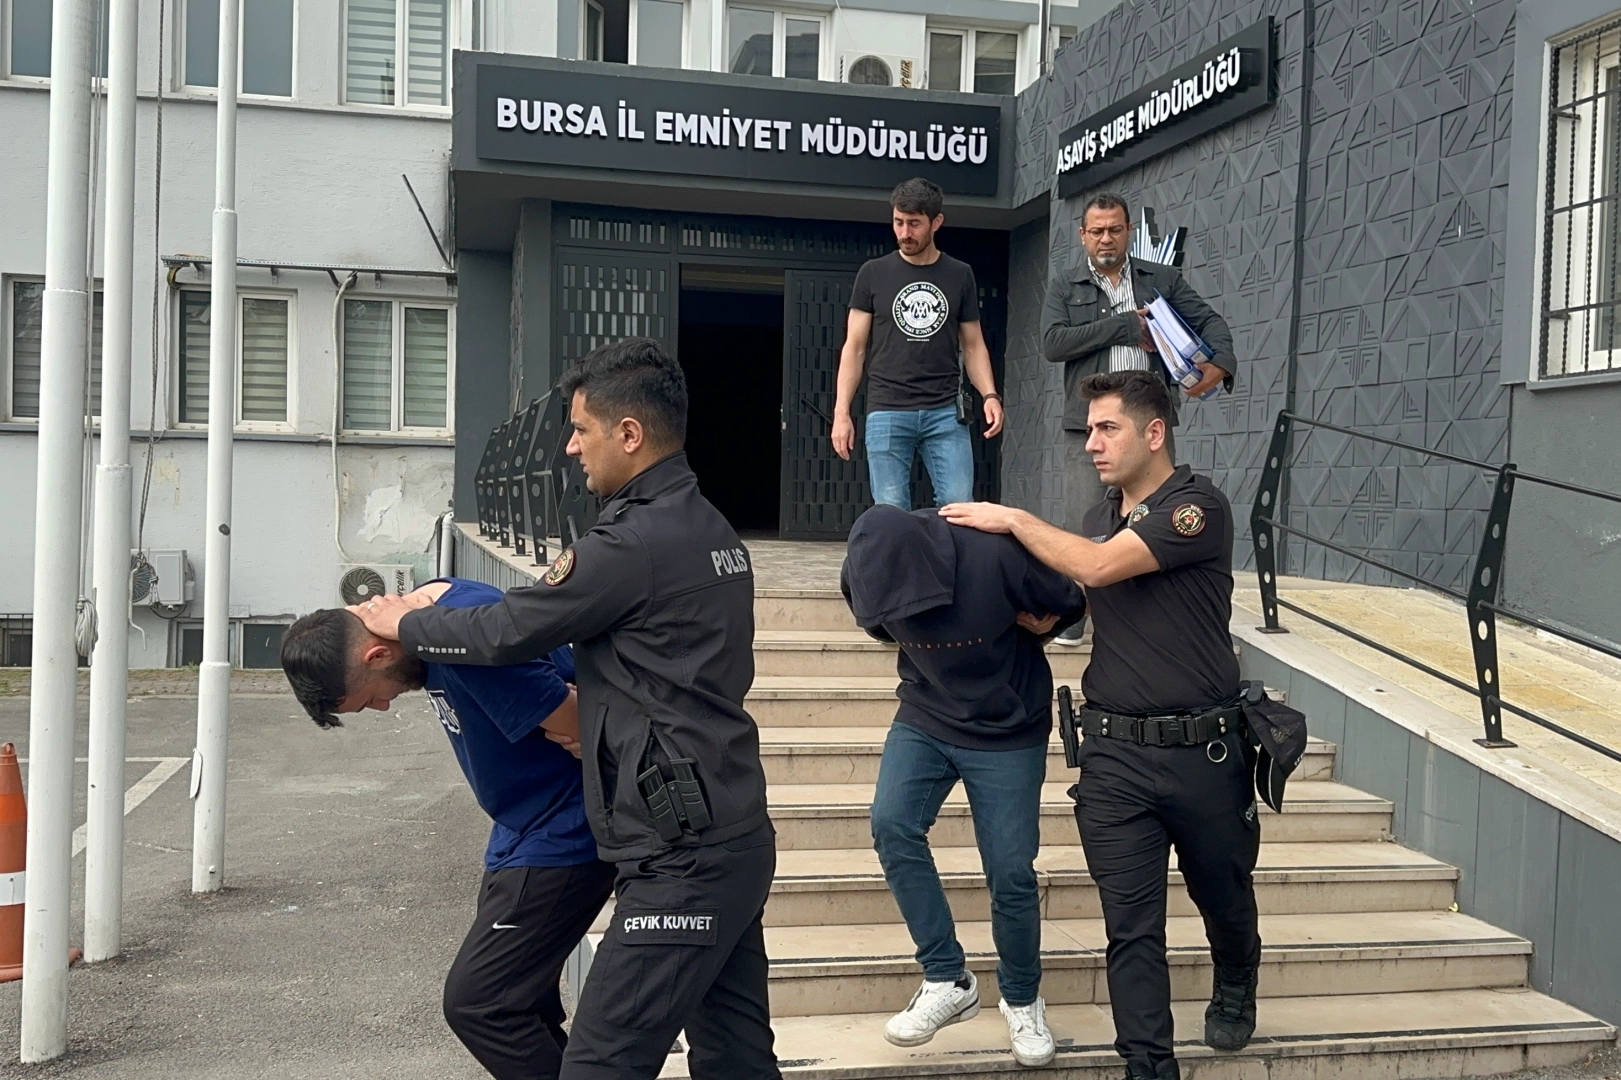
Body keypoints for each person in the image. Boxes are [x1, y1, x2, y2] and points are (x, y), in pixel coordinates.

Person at [354, 338, 781, 1080]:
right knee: (735, 1058)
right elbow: (666, 672)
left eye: (581, 429)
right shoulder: (712, 530)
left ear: (629, 433)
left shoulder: (632, 543)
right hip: (732, 829)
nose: (570, 446)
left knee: (600, 1063)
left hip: (681, 851)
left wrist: (408, 624)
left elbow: (508, 629)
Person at [939, 370, 1258, 1080]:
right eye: (1088, 430)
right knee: (1130, 929)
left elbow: (1100, 566)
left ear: (1154, 432)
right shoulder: (1097, 515)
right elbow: (1086, 592)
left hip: (1203, 752)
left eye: (1107, 428)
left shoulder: (1195, 507)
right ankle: (1148, 1067)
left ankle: (1237, 979)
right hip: (1114, 757)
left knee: (1223, 896)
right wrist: (1038, 616)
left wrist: (1013, 519)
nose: (1091, 444)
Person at [279, 581, 615, 1080]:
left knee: (482, 1004)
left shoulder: (460, 641)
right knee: (523, 1001)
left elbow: (583, 725)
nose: (384, 707)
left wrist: (581, 721)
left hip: (564, 831)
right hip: (521, 828)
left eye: (370, 699)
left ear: (377, 654)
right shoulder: (427, 611)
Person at [841, 504, 1085, 1067]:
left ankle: (1021, 999)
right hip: (926, 714)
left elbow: (1071, 600)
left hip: (1009, 725)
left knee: (1011, 870)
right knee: (891, 824)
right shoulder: (863, 570)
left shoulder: (991, 555)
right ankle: (947, 978)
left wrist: (1048, 625)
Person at [1040, 192, 1235, 643]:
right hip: (1088, 423)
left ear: (1129, 231)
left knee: (1155, 515)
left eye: (1114, 229)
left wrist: (1220, 365)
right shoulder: (1066, 285)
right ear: (1082, 235)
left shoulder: (1161, 279)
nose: (1106, 238)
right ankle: (1075, 618)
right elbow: (1053, 343)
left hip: (1149, 421)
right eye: (1096, 231)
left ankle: (1149, 614)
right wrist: (1127, 325)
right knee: (1086, 519)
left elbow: (1211, 323)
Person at [831, 176, 1005, 509]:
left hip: (945, 411)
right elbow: (854, 347)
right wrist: (842, 413)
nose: (904, 233)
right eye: (898, 222)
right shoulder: (873, 273)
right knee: (891, 511)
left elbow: (973, 345)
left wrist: (990, 395)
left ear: (936, 222)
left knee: (959, 506)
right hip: (887, 407)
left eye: (914, 224)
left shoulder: (959, 274)